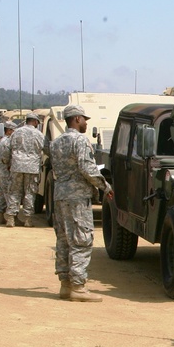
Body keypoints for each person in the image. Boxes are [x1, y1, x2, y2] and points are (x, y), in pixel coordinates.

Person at [49, 104, 112, 302]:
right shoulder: (80, 141)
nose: (85, 123)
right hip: (77, 197)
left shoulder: (56, 142)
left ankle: (65, 285)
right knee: (81, 239)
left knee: (64, 239)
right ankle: (78, 287)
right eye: (84, 119)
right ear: (76, 119)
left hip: (60, 195)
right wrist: (105, 187)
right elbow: (87, 168)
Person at [6, 112, 45, 227]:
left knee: (14, 191)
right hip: (32, 167)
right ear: (35, 121)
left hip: (17, 166)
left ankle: (11, 218)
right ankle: (28, 219)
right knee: (30, 193)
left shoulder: (16, 132)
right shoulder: (39, 134)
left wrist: (8, 162)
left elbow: (8, 148)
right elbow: (46, 148)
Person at [0, 121, 16, 225]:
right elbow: (6, 158)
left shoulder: (2, 141)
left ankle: (0, 216)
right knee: (10, 194)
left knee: (2, 195)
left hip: (0, 172)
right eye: (13, 130)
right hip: (5, 172)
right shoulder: (6, 142)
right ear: (9, 131)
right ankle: (11, 219)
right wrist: (10, 165)